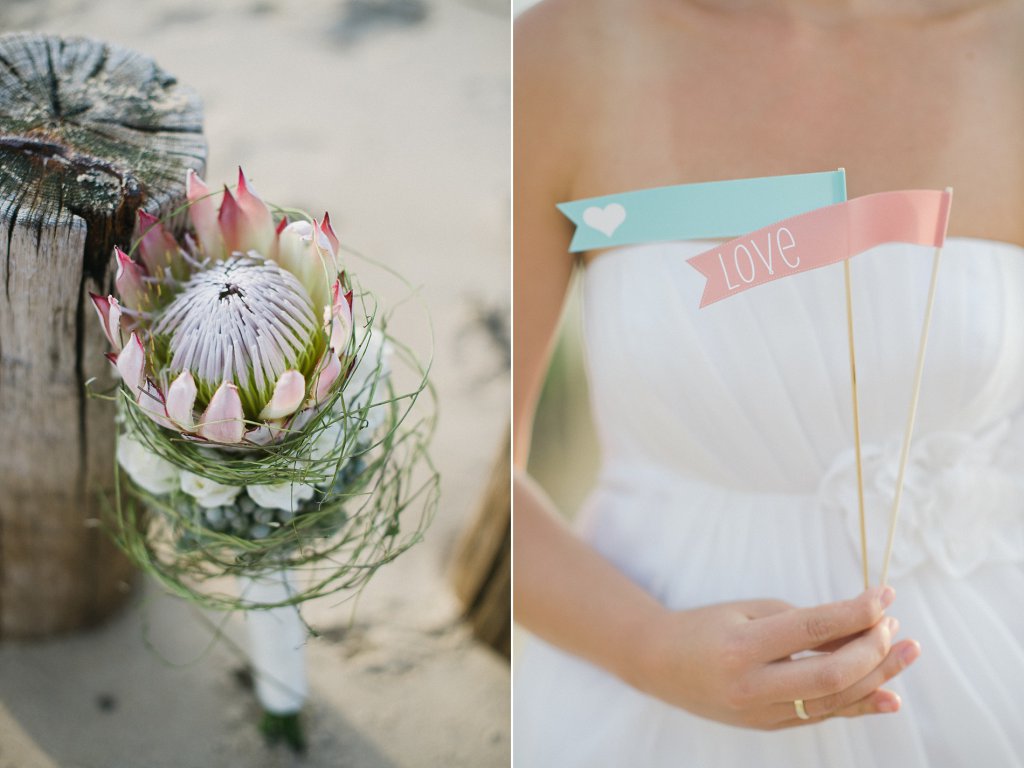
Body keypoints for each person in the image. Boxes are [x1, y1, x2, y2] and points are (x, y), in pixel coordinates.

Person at [512, 0, 1024, 765]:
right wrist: (649, 647)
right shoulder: (571, 46)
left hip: (985, 672)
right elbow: (490, 483)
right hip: (646, 691)